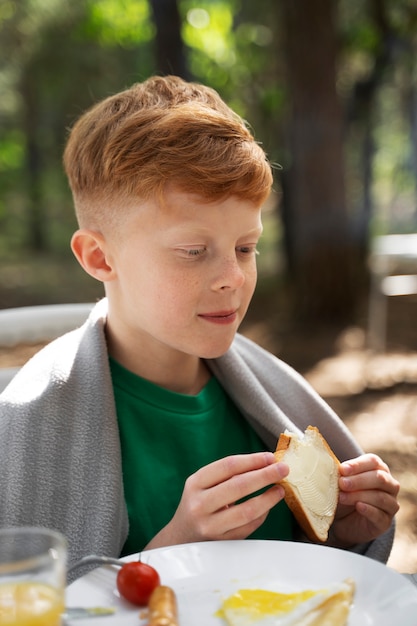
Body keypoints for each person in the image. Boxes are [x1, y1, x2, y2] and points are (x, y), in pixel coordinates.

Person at [0, 75, 399, 577]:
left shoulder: (272, 397)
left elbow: (302, 581)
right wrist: (173, 549)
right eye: (193, 252)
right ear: (100, 257)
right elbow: (31, 601)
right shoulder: (36, 422)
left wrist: (339, 534)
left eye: (246, 248)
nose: (232, 278)